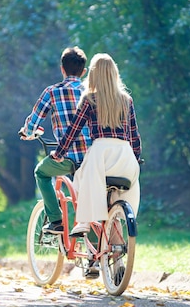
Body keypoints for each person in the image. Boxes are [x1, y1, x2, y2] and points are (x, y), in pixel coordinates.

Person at [50, 53, 141, 237]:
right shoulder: (126, 100)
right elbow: (134, 136)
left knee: (80, 178)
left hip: (100, 155)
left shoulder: (89, 99)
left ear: (93, 75)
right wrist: (137, 158)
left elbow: (73, 131)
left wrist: (59, 153)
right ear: (115, 74)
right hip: (125, 157)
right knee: (115, 198)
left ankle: (84, 221)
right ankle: (116, 246)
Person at [20, 46, 92, 234]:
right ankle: (96, 253)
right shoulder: (92, 92)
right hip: (92, 157)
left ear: (62, 69)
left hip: (66, 157)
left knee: (41, 173)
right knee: (89, 197)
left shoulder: (52, 92)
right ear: (83, 72)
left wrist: (27, 132)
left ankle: (56, 221)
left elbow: (34, 121)